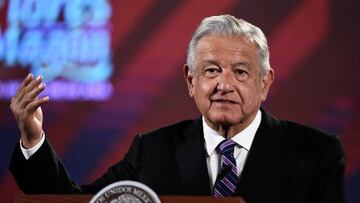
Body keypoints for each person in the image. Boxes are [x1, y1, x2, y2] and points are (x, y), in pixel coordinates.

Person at [9, 15, 345, 203]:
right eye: (211, 70)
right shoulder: (152, 150)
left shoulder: (316, 153)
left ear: (265, 82)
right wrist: (33, 139)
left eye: (240, 72)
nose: (223, 85)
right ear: (190, 79)